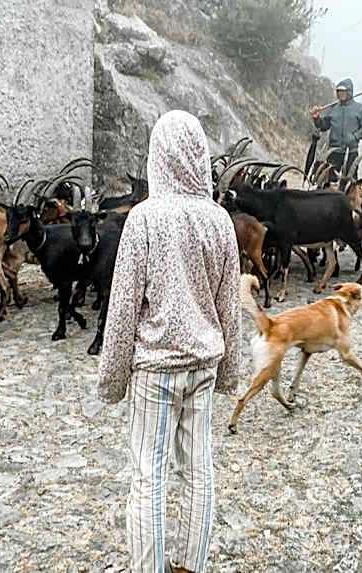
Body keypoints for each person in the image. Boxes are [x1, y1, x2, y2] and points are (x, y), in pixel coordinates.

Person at [97, 110, 242, 573]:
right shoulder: (220, 220)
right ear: (200, 158)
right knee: (199, 472)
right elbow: (229, 305)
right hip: (203, 365)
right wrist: (231, 370)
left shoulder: (143, 220)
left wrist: (112, 379)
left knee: (148, 477)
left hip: (155, 370)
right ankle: (191, 565)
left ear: (155, 157)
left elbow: (121, 306)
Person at [309, 78, 362, 178]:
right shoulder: (333, 108)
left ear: (349, 92)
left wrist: (355, 136)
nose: (341, 94)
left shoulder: (359, 109)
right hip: (334, 151)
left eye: (343, 91)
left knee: (350, 180)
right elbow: (324, 126)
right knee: (330, 179)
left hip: (351, 151)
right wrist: (317, 118)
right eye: (339, 91)